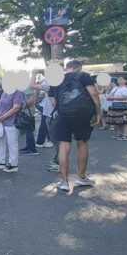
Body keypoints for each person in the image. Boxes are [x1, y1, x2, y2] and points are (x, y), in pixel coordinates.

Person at [48, 60, 100, 192]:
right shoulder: (84, 76)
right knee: (82, 144)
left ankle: (64, 182)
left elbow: (53, 102)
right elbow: (94, 93)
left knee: (64, 146)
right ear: (79, 68)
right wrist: (98, 112)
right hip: (82, 115)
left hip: (63, 115)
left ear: (67, 68)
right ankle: (81, 177)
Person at [0, 87, 24, 173]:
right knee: (0, 141)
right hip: (1, 121)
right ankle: (0, 161)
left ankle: (13, 164)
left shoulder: (17, 93)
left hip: (11, 121)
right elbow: (0, 106)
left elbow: (16, 108)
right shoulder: (4, 92)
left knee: (12, 143)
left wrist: (3, 117)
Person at [107, 75, 127, 141]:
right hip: (115, 106)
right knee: (116, 120)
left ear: (126, 81)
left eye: (122, 79)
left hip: (126, 106)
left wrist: (113, 97)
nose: (119, 80)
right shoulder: (115, 88)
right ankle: (119, 134)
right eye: (119, 78)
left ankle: (126, 135)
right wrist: (115, 97)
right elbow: (108, 97)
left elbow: (126, 97)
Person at [19, 88, 39, 156]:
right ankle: (29, 147)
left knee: (28, 131)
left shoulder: (27, 87)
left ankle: (32, 149)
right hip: (28, 111)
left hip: (28, 111)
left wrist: (23, 107)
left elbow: (31, 99)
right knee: (27, 130)